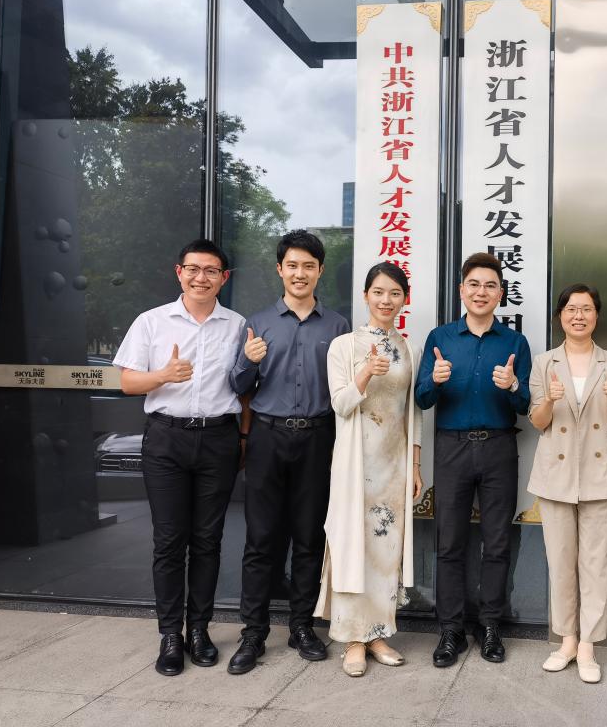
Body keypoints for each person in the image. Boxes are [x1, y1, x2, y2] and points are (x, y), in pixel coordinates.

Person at [113, 239, 246, 676]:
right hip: (167, 439)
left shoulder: (237, 326)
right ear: (179, 272)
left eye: (211, 271)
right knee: (169, 541)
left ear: (224, 278)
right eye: (193, 269)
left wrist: (243, 438)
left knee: (208, 540)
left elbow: (246, 386)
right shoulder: (152, 322)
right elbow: (128, 383)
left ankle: (199, 630)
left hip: (218, 438)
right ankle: (170, 634)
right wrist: (163, 375)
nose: (201, 278)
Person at [227, 229, 350, 675]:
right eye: (292, 265)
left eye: (308, 266)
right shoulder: (257, 323)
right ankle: (253, 633)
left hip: (318, 438)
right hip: (268, 436)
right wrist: (249, 360)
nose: (300, 273)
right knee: (261, 539)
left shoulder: (337, 327)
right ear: (280, 269)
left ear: (319, 271)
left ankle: (302, 627)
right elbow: (237, 386)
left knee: (309, 537)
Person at [415, 252, 531, 667]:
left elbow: (526, 405)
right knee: (449, 542)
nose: (482, 292)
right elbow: (422, 399)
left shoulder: (514, 343)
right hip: (452, 447)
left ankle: (490, 625)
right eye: (474, 285)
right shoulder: (440, 337)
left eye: (490, 286)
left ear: (500, 293)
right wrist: (434, 381)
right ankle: (450, 630)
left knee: (497, 542)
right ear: (461, 290)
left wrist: (513, 385)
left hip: (499, 447)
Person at [314, 262, 424, 677]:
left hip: (394, 464)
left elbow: (414, 412)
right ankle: (353, 640)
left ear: (404, 299)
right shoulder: (343, 346)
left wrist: (415, 465)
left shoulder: (409, 349)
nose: (386, 300)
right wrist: (364, 373)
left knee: (386, 550)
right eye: (378, 292)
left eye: (394, 293)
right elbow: (340, 404)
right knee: (353, 546)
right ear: (365, 296)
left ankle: (378, 634)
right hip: (355, 464)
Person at [528, 284, 607, 684]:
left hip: (599, 476)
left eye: (586, 309)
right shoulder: (544, 362)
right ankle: (567, 640)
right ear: (560, 316)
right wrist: (549, 400)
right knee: (561, 562)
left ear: (596, 315)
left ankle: (589, 644)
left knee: (596, 563)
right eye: (572, 309)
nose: (579, 316)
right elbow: (537, 421)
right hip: (555, 478)